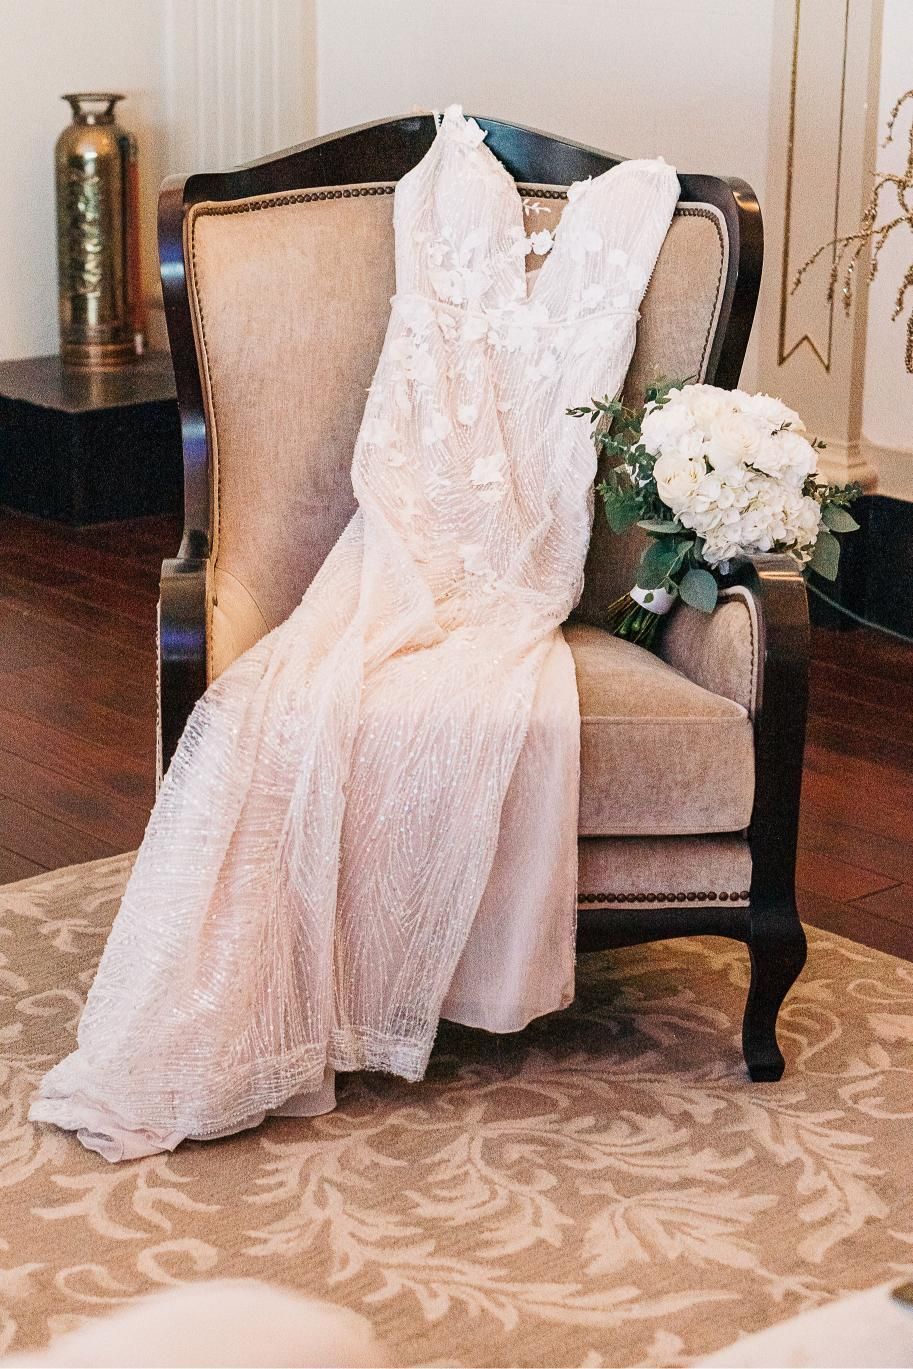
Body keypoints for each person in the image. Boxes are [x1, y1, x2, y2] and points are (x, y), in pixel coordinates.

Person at [30, 107, 679, 1161]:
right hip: (399, 549)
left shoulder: (644, 210)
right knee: (289, 702)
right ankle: (246, 1011)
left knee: (409, 690)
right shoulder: (433, 192)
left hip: (518, 573)